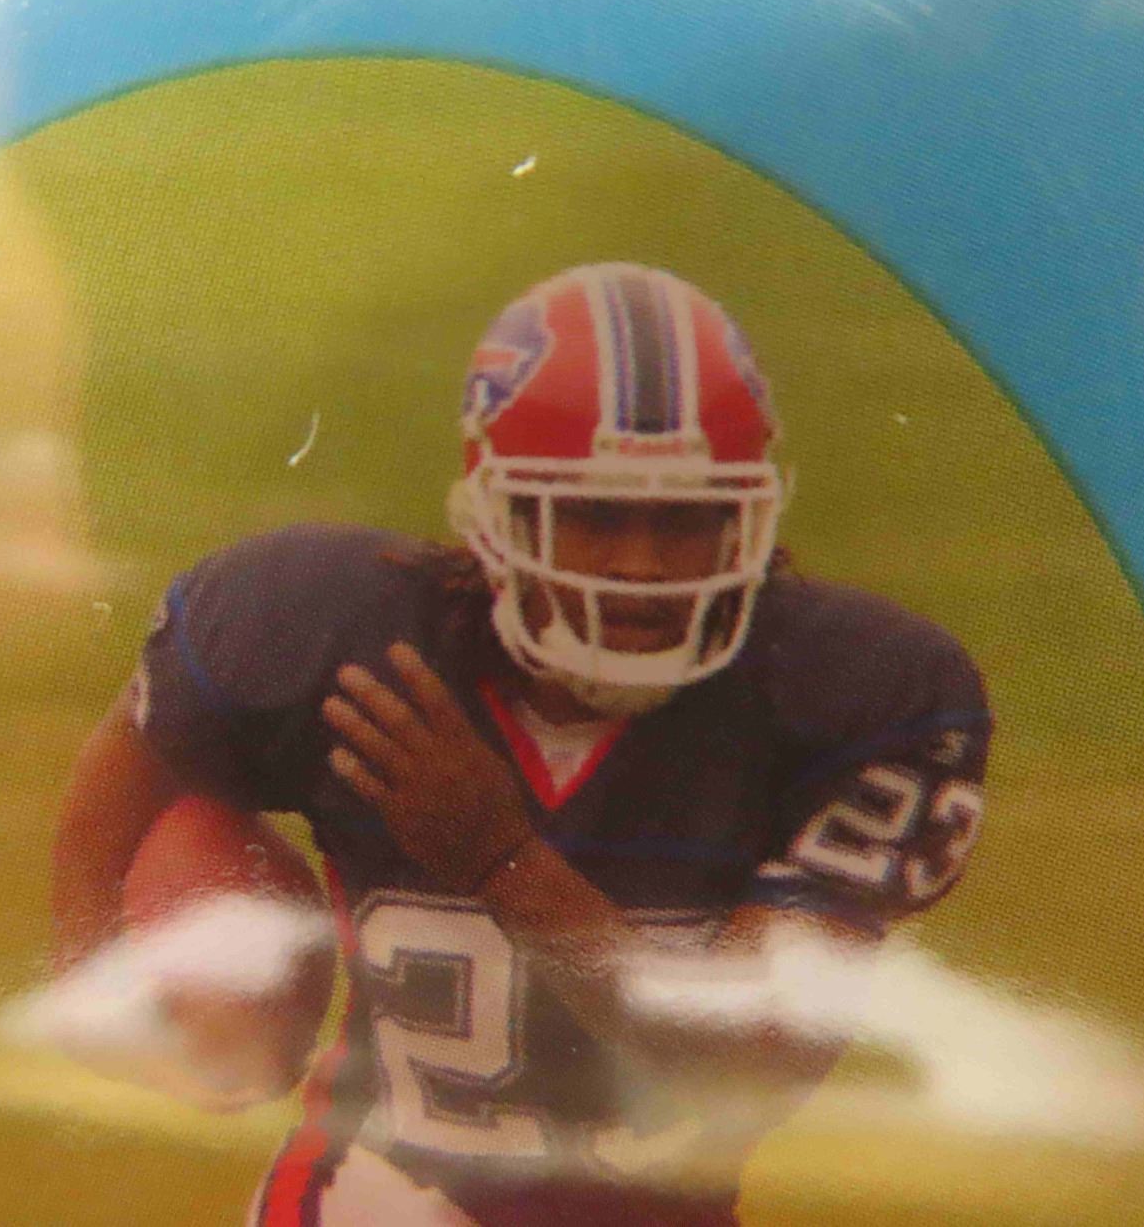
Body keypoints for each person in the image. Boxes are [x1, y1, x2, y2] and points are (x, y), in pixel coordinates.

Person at [51, 262, 991, 1226]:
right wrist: (94, 987)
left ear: (749, 518)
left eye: (687, 518)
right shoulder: (322, 626)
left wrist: (504, 861)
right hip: (377, 1197)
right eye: (592, 513)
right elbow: (133, 756)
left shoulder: (858, 697)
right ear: (498, 515)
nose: (640, 565)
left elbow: (742, 1069)